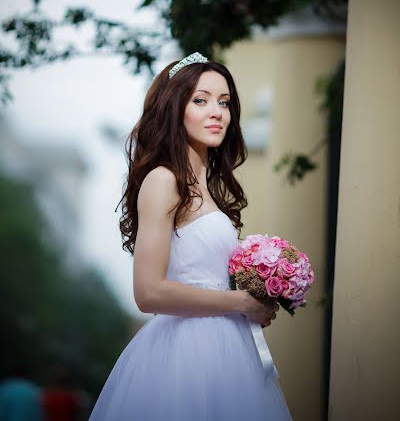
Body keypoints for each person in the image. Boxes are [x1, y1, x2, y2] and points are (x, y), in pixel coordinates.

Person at [89, 52, 293, 420]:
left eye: (224, 102)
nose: (217, 111)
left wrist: (261, 292)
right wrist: (240, 302)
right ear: (174, 109)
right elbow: (148, 292)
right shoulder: (164, 180)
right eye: (200, 100)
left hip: (230, 348)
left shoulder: (209, 189)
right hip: (186, 354)